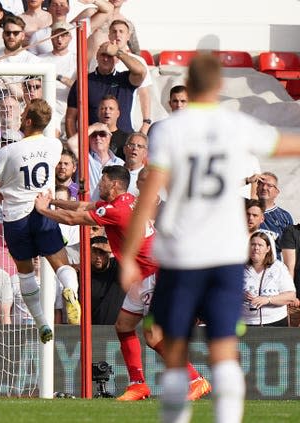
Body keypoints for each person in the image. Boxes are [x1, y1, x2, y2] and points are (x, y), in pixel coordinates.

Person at [120, 54, 300, 423]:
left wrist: (127, 257)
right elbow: (285, 145)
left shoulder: (170, 131)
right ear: (219, 86)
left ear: (189, 84)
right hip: (224, 256)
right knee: (223, 348)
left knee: (173, 349)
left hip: (182, 254)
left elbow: (149, 194)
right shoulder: (235, 125)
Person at [35, 164, 211, 401]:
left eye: (103, 181)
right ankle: (138, 384)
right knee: (124, 326)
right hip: (143, 276)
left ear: (114, 184)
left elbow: (73, 218)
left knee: (153, 337)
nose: (100, 185)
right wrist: (55, 202)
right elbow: (84, 206)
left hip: (154, 274)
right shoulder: (127, 201)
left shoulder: (118, 211)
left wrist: (43, 210)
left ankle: (195, 379)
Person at [0, 98, 82, 342]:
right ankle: (70, 290)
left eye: (23, 113)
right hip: (43, 211)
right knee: (62, 264)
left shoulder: (7, 151)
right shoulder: (54, 147)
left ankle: (41, 323)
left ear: (27, 120)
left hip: (16, 218)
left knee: (25, 274)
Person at [242, 231, 296, 327]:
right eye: (253, 244)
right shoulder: (238, 267)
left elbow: (291, 296)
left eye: (260, 245)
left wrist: (267, 299)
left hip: (275, 322)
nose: (256, 248)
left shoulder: (278, 267)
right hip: (246, 322)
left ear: (268, 249)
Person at [89, 235, 125, 325]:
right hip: (91, 332)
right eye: (95, 252)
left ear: (109, 253)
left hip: (116, 331)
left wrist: (114, 247)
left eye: (102, 253)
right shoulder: (83, 273)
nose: (98, 257)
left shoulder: (117, 267)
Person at [256, 171, 293, 257]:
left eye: (269, 185)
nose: (264, 187)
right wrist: (247, 180)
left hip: (274, 267)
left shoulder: (285, 217)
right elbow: (227, 191)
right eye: (261, 184)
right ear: (256, 188)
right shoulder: (246, 209)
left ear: (276, 192)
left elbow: (291, 251)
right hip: (247, 268)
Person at [123, 132, 148, 196]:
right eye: (131, 145)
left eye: (140, 146)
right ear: (124, 149)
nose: (135, 148)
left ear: (145, 153)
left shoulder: (147, 177)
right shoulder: (113, 171)